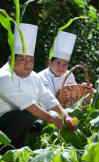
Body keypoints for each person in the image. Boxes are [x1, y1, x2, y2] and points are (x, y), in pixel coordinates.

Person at [0, 23, 76, 153]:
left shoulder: (33, 77)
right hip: (3, 124)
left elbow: (47, 97)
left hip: (21, 123)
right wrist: (53, 119)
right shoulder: (4, 77)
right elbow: (29, 105)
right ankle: (7, 154)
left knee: (33, 119)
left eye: (31, 60)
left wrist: (65, 115)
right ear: (12, 59)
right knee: (26, 115)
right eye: (22, 59)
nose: (27, 64)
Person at [38, 31, 77, 96]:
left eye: (65, 64)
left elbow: (76, 93)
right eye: (58, 63)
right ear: (50, 62)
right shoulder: (40, 77)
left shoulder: (69, 75)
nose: (61, 67)